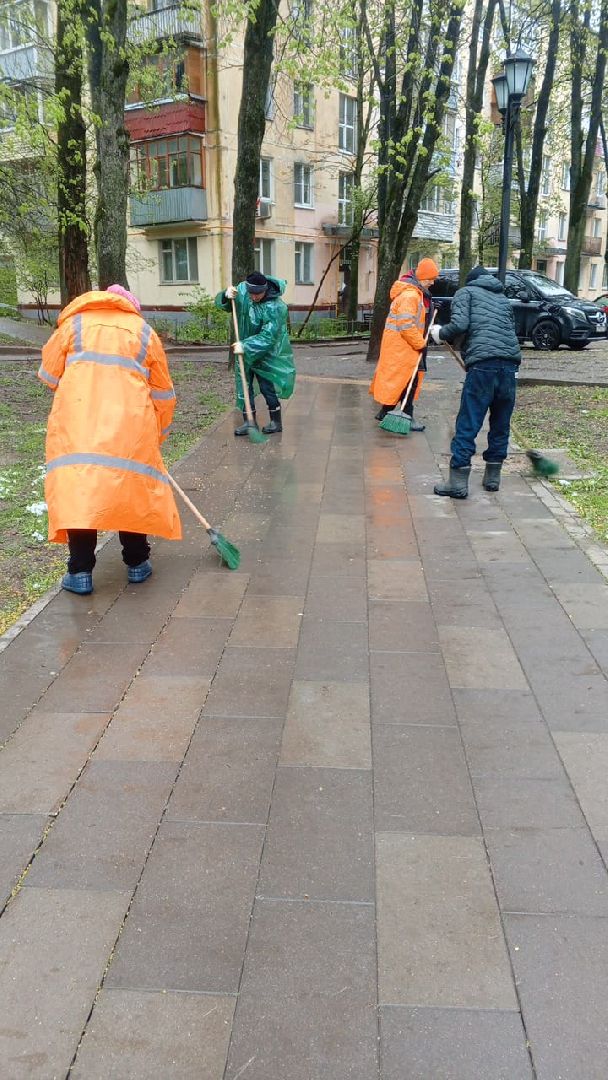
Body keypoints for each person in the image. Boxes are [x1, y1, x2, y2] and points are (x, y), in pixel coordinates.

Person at [38, 283, 181, 595]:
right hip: (131, 426)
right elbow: (163, 393)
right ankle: (137, 565)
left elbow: (48, 376)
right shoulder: (143, 332)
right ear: (129, 306)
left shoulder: (73, 325)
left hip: (78, 424)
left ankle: (79, 573)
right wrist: (159, 431)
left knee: (81, 492)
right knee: (129, 488)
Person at [429, 265, 521, 498]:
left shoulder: (466, 293)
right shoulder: (502, 298)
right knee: (500, 423)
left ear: (470, 281)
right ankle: (492, 478)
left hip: (482, 367)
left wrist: (440, 333)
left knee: (468, 423)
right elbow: (510, 330)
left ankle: (458, 483)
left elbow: (460, 324)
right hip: (509, 366)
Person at [216, 271, 296, 435]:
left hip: (264, 353)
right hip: (243, 350)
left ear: (265, 290)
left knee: (267, 387)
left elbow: (269, 336)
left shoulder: (275, 306)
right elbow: (226, 305)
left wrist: (245, 346)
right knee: (244, 386)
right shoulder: (243, 291)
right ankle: (249, 422)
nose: (254, 297)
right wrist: (225, 295)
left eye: (257, 294)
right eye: (251, 294)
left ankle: (276, 421)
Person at [370, 257, 439, 432]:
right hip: (405, 347)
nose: (432, 282)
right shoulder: (410, 295)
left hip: (401, 346)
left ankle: (385, 411)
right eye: (430, 278)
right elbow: (406, 324)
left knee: (400, 381)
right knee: (409, 382)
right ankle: (407, 416)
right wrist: (420, 343)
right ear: (422, 277)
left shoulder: (414, 294)